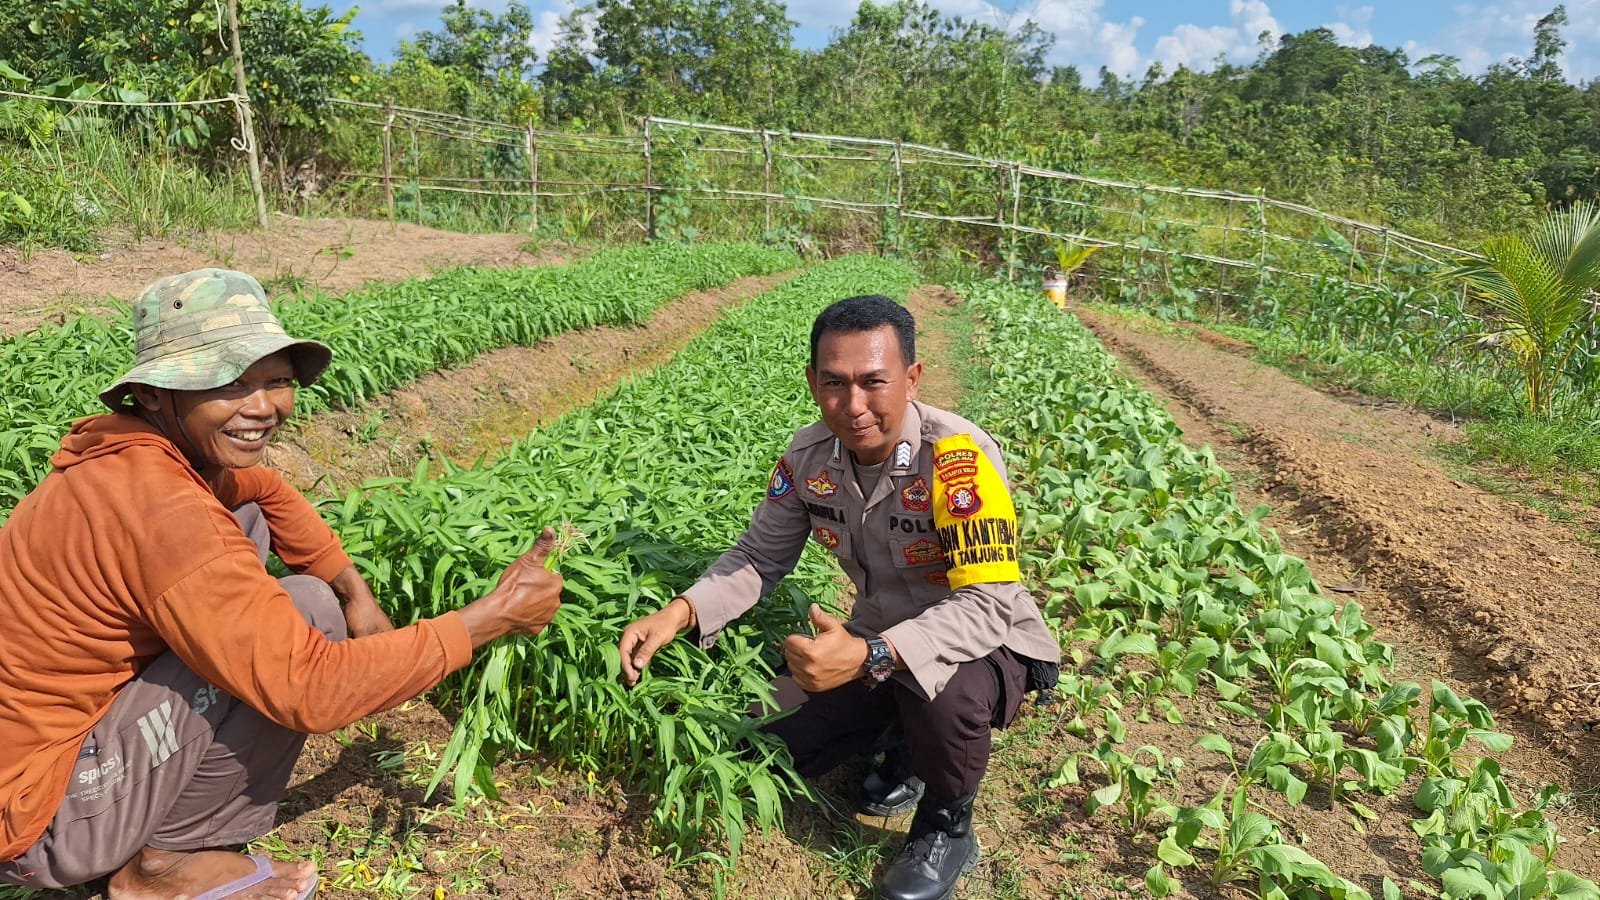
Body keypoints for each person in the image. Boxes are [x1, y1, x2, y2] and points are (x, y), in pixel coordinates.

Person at [0, 269, 565, 900]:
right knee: (302, 618)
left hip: (42, 750)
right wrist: (491, 617)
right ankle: (163, 865)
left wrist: (355, 592)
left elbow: (264, 489)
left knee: (280, 559)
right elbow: (311, 690)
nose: (263, 406)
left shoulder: (138, 457)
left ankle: (154, 838)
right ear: (155, 395)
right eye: (229, 383)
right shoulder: (166, 513)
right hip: (33, 815)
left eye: (276, 381)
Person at [618, 294, 1061, 900]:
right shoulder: (808, 459)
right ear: (812, 382)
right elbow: (759, 557)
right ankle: (902, 736)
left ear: (912, 378)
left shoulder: (958, 459)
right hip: (873, 632)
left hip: (982, 641)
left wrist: (870, 656)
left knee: (946, 693)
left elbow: (986, 604)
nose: (853, 407)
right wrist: (680, 612)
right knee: (769, 741)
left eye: (874, 382)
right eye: (834, 383)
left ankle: (945, 825)